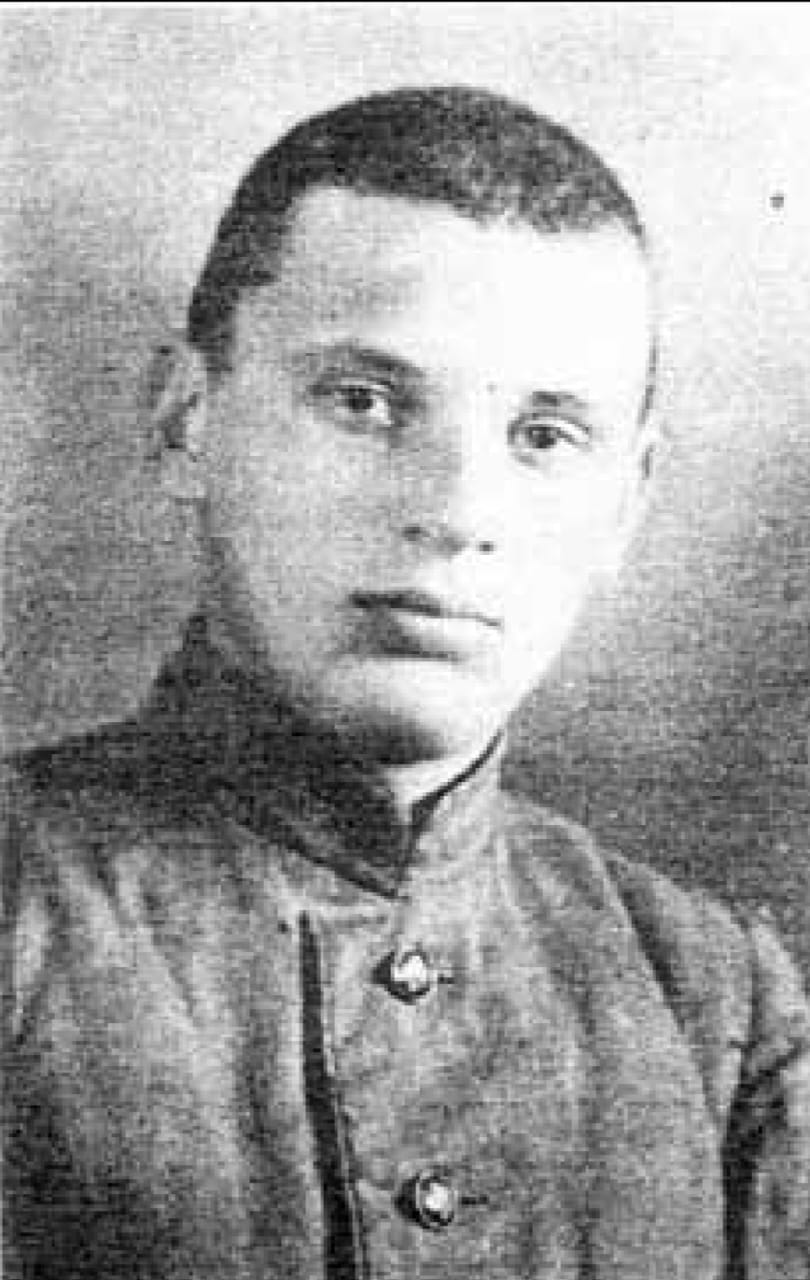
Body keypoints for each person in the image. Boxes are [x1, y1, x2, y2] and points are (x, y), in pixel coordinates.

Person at [3, 85, 809, 1280]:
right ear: (185, 422)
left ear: (626, 504)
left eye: (544, 435)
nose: (457, 510)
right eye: (365, 403)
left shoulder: (715, 1005)